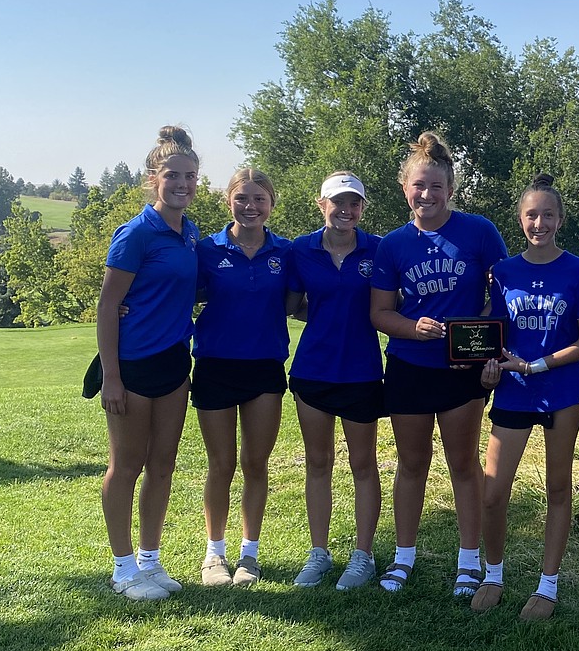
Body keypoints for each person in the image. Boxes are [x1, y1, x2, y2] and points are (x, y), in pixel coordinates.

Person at [371, 132, 508, 597]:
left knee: (463, 465)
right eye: (418, 186)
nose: (426, 195)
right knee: (411, 465)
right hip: (410, 365)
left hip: (462, 370)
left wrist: (487, 347)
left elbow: (504, 294)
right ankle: (403, 558)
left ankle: (468, 563)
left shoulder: (479, 231)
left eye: (436, 187)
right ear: (404, 188)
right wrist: (414, 328)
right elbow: (381, 313)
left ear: (451, 190)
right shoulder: (392, 245)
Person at [473, 175, 579, 619]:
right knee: (492, 492)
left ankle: (547, 585)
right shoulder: (504, 272)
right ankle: (493, 574)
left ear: (560, 219)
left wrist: (536, 365)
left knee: (558, 488)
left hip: (561, 390)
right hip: (512, 391)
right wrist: (488, 368)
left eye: (548, 214)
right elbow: (493, 334)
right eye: (532, 214)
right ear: (520, 219)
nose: (539, 222)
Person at [95, 126, 200, 601]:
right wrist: (112, 379)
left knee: (163, 463)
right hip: (132, 367)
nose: (183, 183)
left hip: (175, 362)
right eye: (173, 175)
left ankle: (150, 561)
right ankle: (122, 569)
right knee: (127, 465)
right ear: (153, 179)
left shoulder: (191, 233)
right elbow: (107, 306)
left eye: (190, 176)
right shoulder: (135, 233)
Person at [285, 172, 385, 589]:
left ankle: (363, 556)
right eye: (338, 202)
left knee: (363, 464)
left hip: (361, 371)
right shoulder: (300, 251)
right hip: (313, 370)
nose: (347, 210)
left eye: (354, 203)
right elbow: (292, 305)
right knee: (318, 462)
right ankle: (319, 553)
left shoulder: (378, 249)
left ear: (362, 207)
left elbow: (391, 303)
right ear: (321, 204)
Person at [192, 169, 290, 587]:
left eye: (259, 199)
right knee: (222, 463)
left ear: (271, 204)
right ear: (227, 201)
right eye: (242, 198)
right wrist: (126, 308)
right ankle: (214, 555)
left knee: (255, 463)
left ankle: (249, 554)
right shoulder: (205, 250)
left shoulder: (286, 252)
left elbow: (304, 299)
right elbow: (174, 290)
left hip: (265, 367)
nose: (251, 207)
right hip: (215, 365)